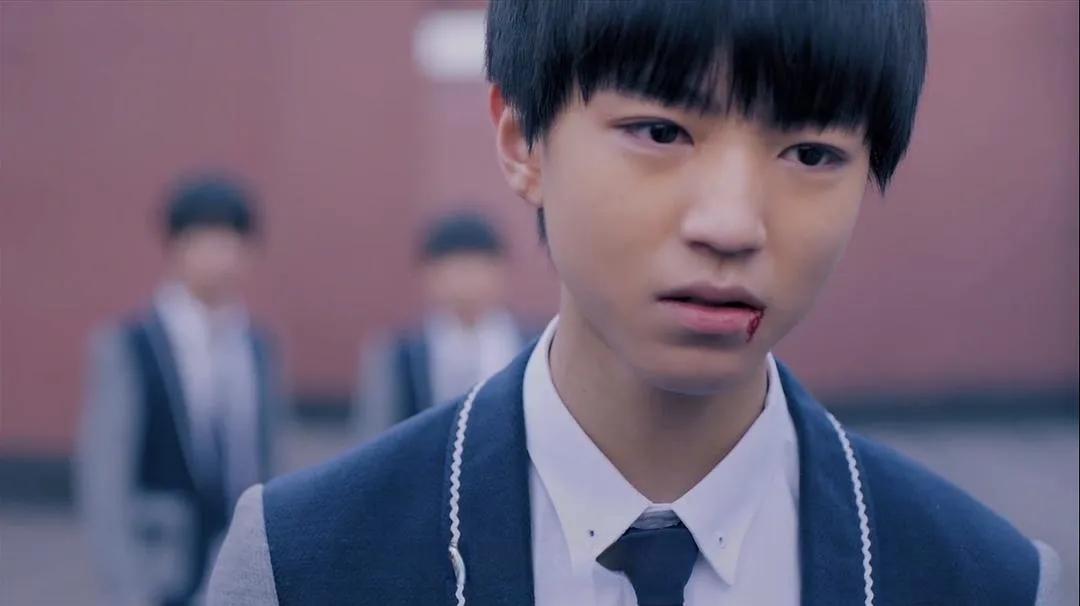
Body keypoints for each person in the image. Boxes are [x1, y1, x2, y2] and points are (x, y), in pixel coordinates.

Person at [209, 2, 1063, 605]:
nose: (731, 224)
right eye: (661, 132)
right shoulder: (304, 565)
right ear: (522, 140)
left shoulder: (989, 582)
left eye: (810, 153)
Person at [77, 175, 282, 606]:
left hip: (238, 565)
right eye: (207, 242)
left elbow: (269, 454)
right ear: (176, 246)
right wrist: (127, 589)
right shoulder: (131, 344)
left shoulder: (257, 346)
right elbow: (106, 476)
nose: (221, 258)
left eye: (232, 244)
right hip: (158, 569)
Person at [354, 211, 532, 443]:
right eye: (455, 269)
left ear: (501, 271)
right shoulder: (400, 354)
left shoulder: (534, 347)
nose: (467, 282)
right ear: (429, 275)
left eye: (477, 268)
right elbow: (375, 437)